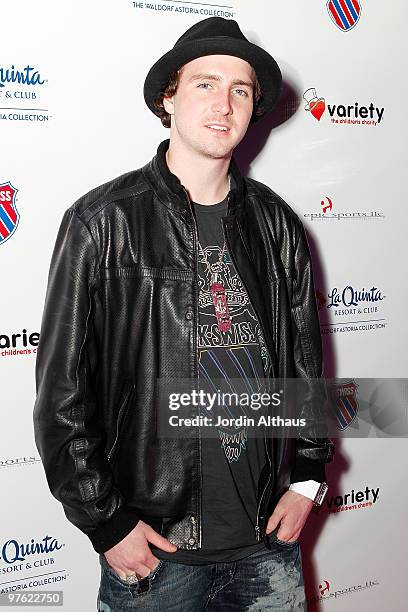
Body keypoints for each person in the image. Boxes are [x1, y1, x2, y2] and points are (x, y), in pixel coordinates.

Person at [33, 16, 334, 611]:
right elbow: (61, 394)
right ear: (168, 98)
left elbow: (306, 365)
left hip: (266, 545)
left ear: (254, 110)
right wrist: (105, 522)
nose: (223, 104)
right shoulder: (103, 222)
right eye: (204, 83)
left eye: (240, 90)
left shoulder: (278, 227)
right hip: (154, 551)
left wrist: (306, 477)